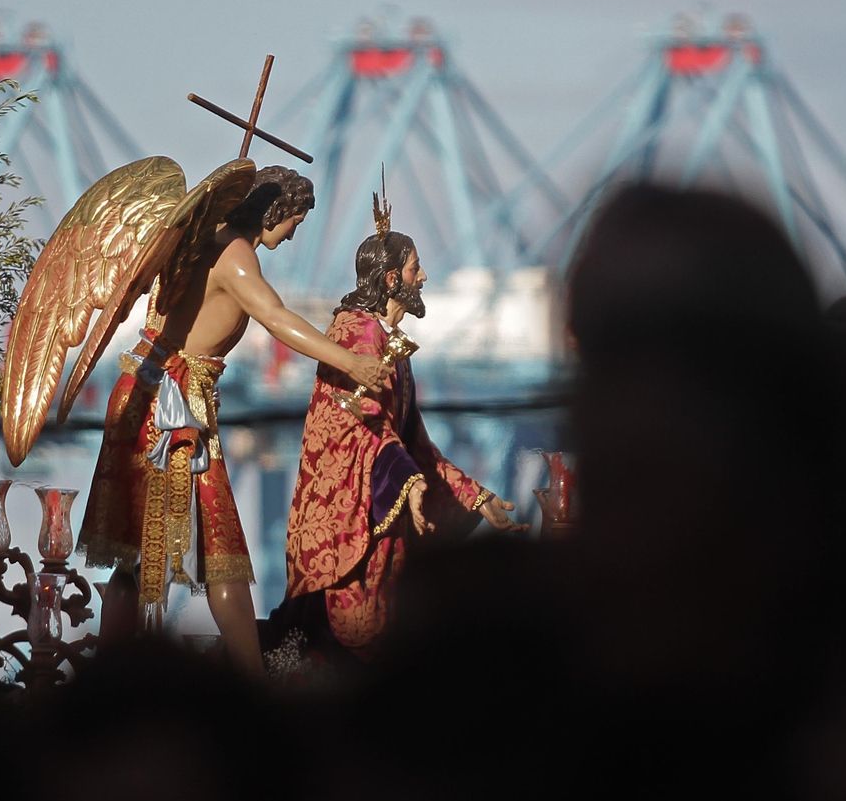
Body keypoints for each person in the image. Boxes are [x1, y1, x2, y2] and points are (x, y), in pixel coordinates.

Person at [77, 165, 388, 675]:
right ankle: (253, 681)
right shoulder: (236, 256)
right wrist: (349, 360)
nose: (291, 238)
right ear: (274, 211)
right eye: (294, 223)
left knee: (134, 556)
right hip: (172, 405)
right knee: (220, 548)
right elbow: (277, 316)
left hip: (151, 389)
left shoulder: (205, 239)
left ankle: (111, 673)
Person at [269, 184, 521, 665]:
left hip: (386, 516)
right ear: (390, 279)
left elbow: (414, 441)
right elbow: (355, 430)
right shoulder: (356, 337)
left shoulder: (390, 343)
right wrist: (406, 480)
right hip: (354, 527)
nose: (423, 277)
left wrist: (477, 497)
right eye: (413, 268)